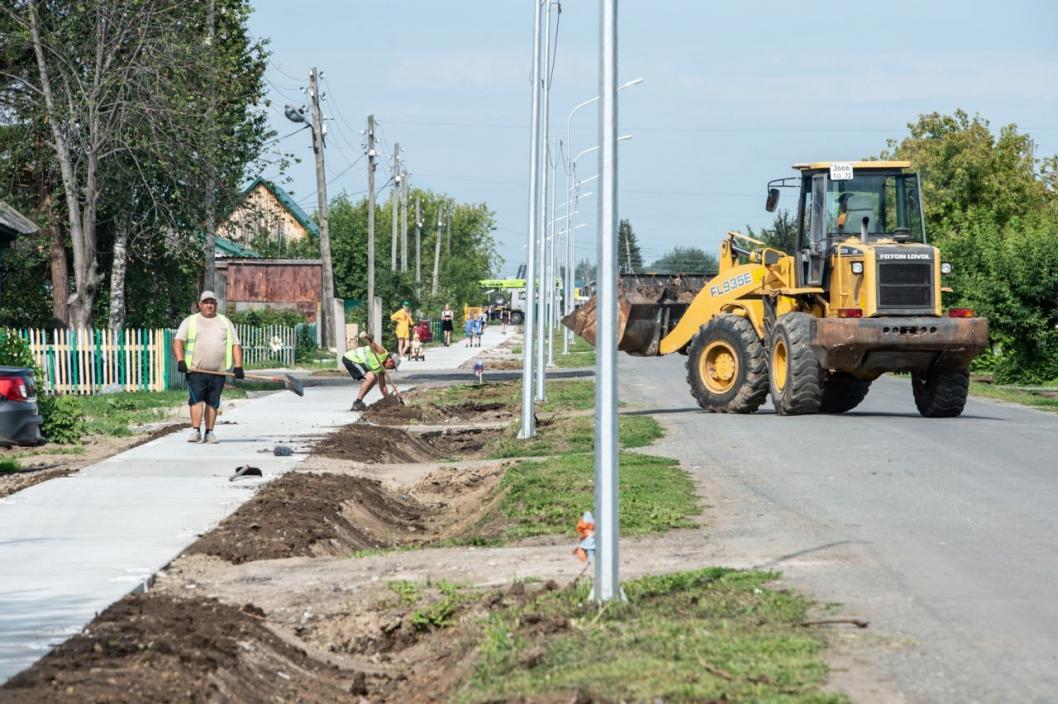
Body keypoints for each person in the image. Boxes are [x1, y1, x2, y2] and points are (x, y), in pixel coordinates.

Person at [173, 291, 243, 444]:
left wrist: (238, 367)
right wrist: (180, 360)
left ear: (216, 305)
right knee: (196, 399)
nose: (209, 305)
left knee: (213, 402)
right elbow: (178, 341)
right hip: (196, 370)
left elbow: (235, 345)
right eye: (206, 302)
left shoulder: (225, 322)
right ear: (200, 305)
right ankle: (195, 430)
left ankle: (209, 432)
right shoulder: (190, 321)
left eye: (212, 302)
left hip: (218, 371)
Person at [342, 332, 398, 411]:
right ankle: (357, 403)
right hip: (351, 358)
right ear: (391, 361)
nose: (389, 369)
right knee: (371, 377)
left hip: (359, 361)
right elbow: (372, 344)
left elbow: (382, 386)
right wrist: (366, 337)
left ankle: (359, 402)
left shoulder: (382, 368)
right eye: (392, 367)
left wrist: (388, 399)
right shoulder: (382, 352)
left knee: (374, 379)